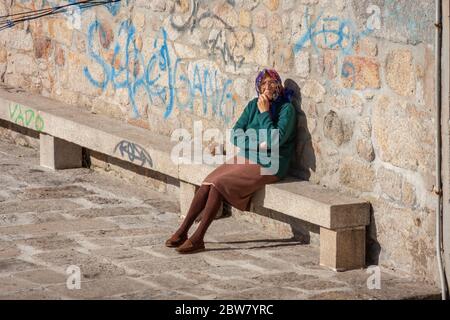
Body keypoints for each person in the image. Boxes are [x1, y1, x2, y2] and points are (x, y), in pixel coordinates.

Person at [165, 68, 297, 254]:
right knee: (208, 183)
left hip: (271, 164)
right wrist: (258, 144)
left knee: (218, 183)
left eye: (272, 82)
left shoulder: (286, 109)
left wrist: (265, 113)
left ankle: (199, 237)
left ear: (279, 85)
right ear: (258, 87)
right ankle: (183, 231)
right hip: (248, 156)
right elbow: (236, 134)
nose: (267, 87)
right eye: (263, 83)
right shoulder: (253, 105)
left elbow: (274, 140)